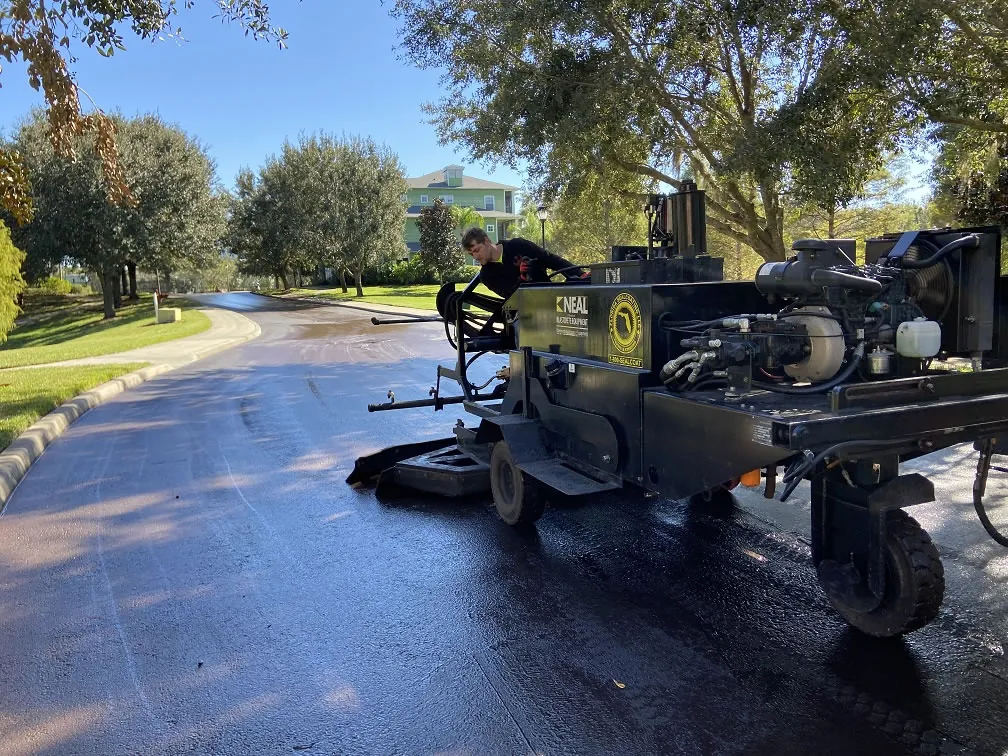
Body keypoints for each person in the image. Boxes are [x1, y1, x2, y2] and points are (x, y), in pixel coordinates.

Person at [461, 228, 588, 300]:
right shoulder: (487, 275)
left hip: (549, 297)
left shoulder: (518, 245)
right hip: (522, 316)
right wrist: (521, 278)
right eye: (472, 254)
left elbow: (550, 259)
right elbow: (509, 296)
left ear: (487, 241)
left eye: (477, 250)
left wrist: (579, 274)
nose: (476, 256)